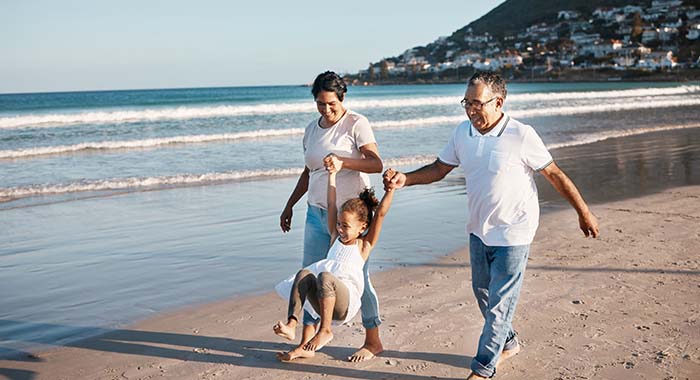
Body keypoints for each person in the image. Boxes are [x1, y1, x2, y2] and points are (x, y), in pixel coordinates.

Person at [383, 72, 599, 379]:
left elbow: (555, 175)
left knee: (500, 303)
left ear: (498, 102)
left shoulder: (521, 135)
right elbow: (439, 168)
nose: (471, 109)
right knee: (482, 291)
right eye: (466, 102)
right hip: (478, 229)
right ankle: (508, 341)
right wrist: (406, 179)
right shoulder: (462, 133)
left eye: (477, 103)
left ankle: (484, 368)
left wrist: (583, 211)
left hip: (515, 231)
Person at [279, 71, 385, 362]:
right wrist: (289, 205)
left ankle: (373, 340)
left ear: (342, 99)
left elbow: (376, 163)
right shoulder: (311, 130)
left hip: (349, 219)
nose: (326, 110)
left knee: (356, 277)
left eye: (331, 104)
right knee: (311, 274)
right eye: (320, 104)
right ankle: (306, 342)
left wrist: (343, 162)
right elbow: (308, 171)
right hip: (316, 213)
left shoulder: (356, 124)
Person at [274, 156, 395, 361]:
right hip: (324, 298)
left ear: (362, 227)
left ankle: (325, 330)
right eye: (339, 224)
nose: (340, 229)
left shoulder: (363, 245)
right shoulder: (334, 237)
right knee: (304, 273)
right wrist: (332, 175)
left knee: (325, 276)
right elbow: (331, 202)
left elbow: (381, 214)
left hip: (344, 304)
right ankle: (292, 325)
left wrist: (390, 190)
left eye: (345, 226)